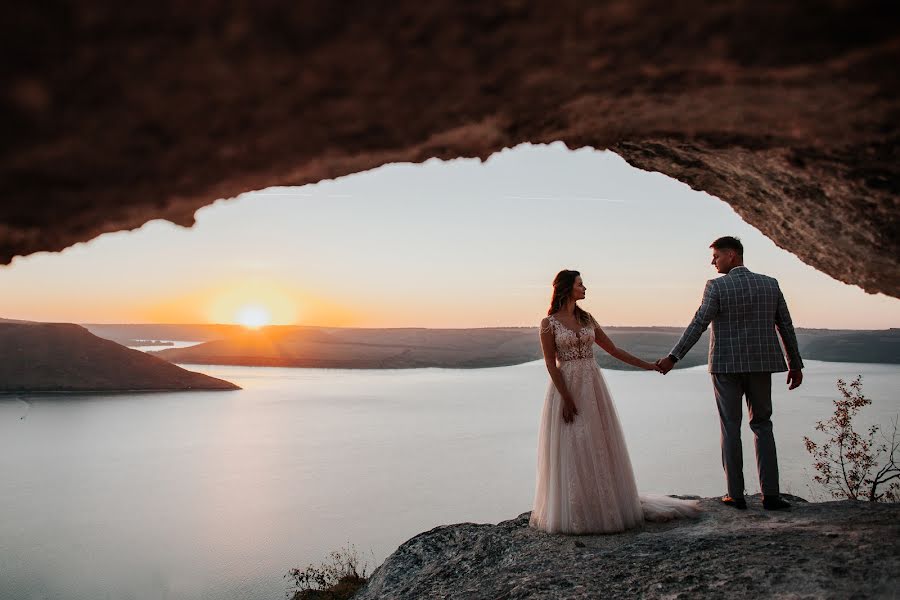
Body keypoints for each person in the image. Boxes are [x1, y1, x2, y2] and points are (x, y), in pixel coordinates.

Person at [529, 269, 701, 534]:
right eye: (580, 284)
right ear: (566, 288)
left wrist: (647, 366)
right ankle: (577, 510)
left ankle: (604, 505)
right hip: (566, 387)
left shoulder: (587, 318)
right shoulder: (548, 323)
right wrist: (566, 397)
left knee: (598, 442)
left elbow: (613, 350)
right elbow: (551, 365)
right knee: (573, 444)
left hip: (592, 386)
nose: (585, 288)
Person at [656, 236, 803, 511]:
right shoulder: (770, 284)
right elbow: (786, 325)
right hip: (761, 365)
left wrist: (674, 357)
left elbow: (699, 323)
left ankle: (735, 495)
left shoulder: (717, 286)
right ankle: (770, 495)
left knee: (730, 427)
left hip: (725, 366)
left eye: (716, 256)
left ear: (732, 255)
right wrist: (794, 364)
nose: (713, 261)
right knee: (763, 425)